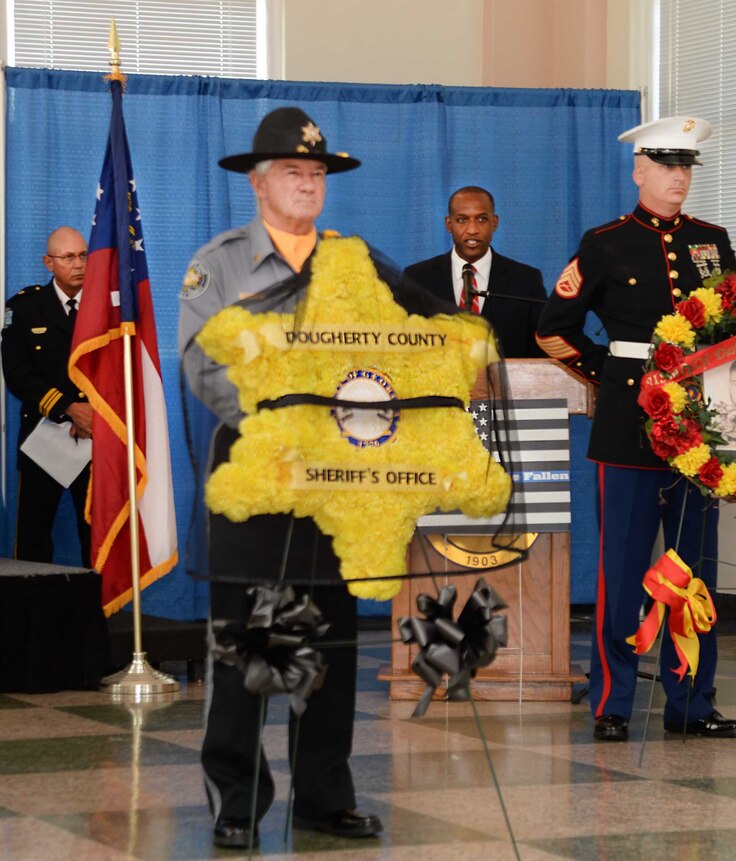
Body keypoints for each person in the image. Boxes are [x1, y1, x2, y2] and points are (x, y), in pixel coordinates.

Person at [178, 106, 450, 850]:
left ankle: (324, 797)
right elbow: (205, 365)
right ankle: (237, 800)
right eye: (294, 173)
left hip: (341, 487)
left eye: (317, 174)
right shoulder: (222, 260)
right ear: (259, 183)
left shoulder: (356, 261)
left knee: (328, 650)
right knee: (246, 652)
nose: (308, 184)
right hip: (258, 481)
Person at [536, 116, 736, 742]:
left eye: (686, 167)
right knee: (623, 572)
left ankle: (690, 702)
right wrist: (609, 372)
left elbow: (735, 324)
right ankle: (613, 704)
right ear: (639, 171)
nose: (679, 177)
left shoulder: (714, 239)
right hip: (630, 426)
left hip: (700, 430)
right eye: (666, 166)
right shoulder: (605, 242)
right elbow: (554, 328)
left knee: (694, 571)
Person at [1, 226, 92, 568]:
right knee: (33, 538)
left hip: (96, 437)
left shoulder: (108, 307)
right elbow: (18, 374)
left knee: (96, 536)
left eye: (83, 255)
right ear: (49, 262)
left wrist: (93, 413)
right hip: (43, 437)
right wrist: (70, 408)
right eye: (68, 257)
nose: (79, 264)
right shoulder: (25, 307)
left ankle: (91, 617)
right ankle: (32, 619)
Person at [404, 186, 546, 358]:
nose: (472, 230)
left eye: (481, 219)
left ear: (494, 223)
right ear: (449, 224)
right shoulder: (417, 278)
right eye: (462, 220)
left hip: (509, 383)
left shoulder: (526, 280)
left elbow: (542, 353)